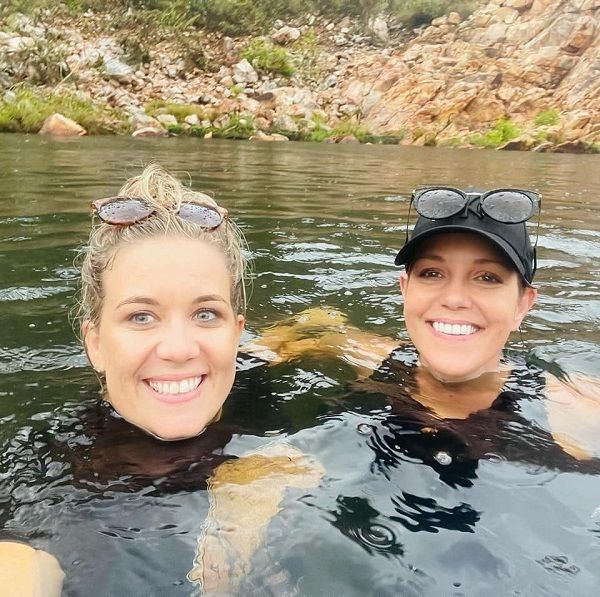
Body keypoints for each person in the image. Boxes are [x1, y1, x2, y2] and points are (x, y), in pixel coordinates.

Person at [0, 164, 321, 595]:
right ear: (95, 343)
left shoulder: (257, 384)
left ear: (235, 331)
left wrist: (254, 482)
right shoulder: (47, 478)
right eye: (141, 316)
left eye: (206, 314)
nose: (178, 348)